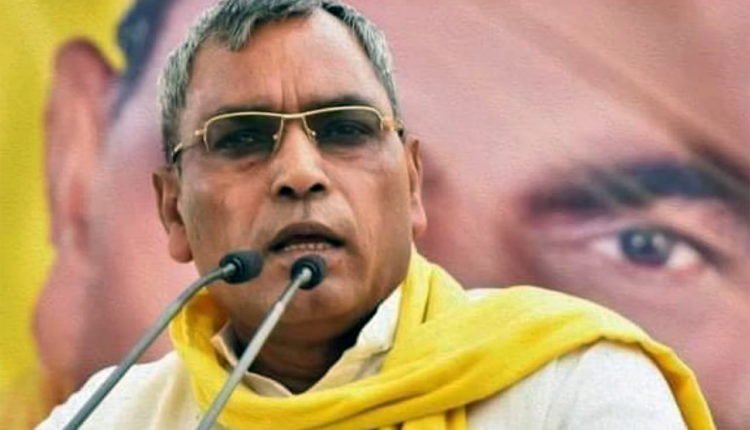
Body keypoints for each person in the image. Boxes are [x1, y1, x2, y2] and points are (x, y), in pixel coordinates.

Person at [38, 0, 712, 428]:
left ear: (411, 186)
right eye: (242, 139)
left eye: (344, 130)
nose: (299, 173)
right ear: (174, 212)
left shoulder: (573, 385)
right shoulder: (109, 417)